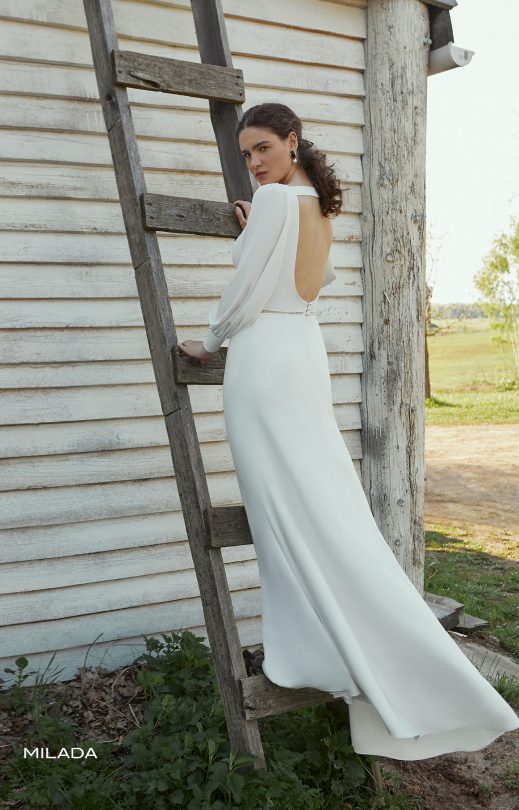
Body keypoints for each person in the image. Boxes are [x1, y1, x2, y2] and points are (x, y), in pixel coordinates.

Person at [177, 102, 519, 760]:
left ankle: (318, 650)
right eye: (246, 154)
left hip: (263, 359)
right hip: (303, 354)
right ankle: (358, 645)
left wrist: (210, 340)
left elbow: (249, 289)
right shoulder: (317, 205)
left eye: (262, 148)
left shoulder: (276, 202)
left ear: (291, 141)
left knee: (282, 512)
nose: (253, 163)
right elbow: (310, 279)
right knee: (321, 506)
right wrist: (256, 232)